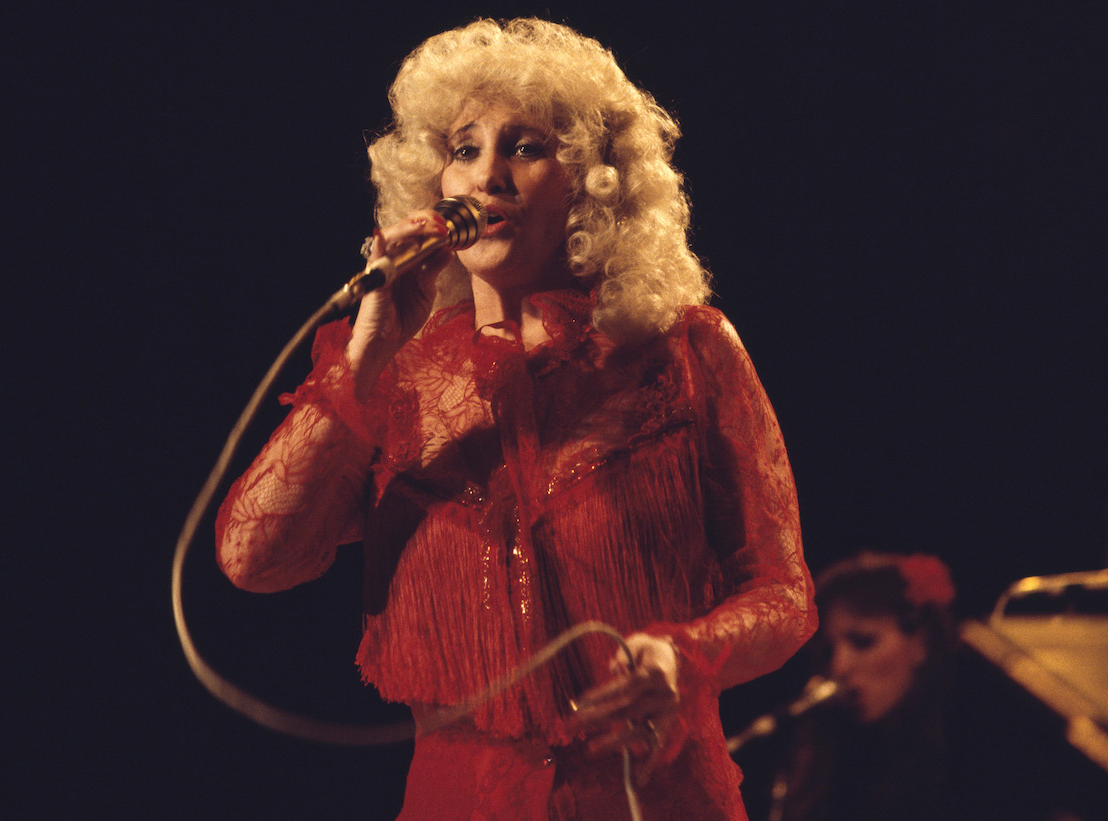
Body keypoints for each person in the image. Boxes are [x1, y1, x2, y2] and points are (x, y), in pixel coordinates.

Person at [216, 18, 814, 820]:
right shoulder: (396, 373)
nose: (487, 175)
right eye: (464, 149)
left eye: (525, 147)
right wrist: (360, 365)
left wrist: (687, 655)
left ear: (592, 186)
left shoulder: (685, 351)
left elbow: (782, 593)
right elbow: (254, 559)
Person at [767, 551, 963, 821]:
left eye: (863, 641)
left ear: (922, 643)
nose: (838, 668)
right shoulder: (840, 758)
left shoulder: (968, 753)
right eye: (828, 652)